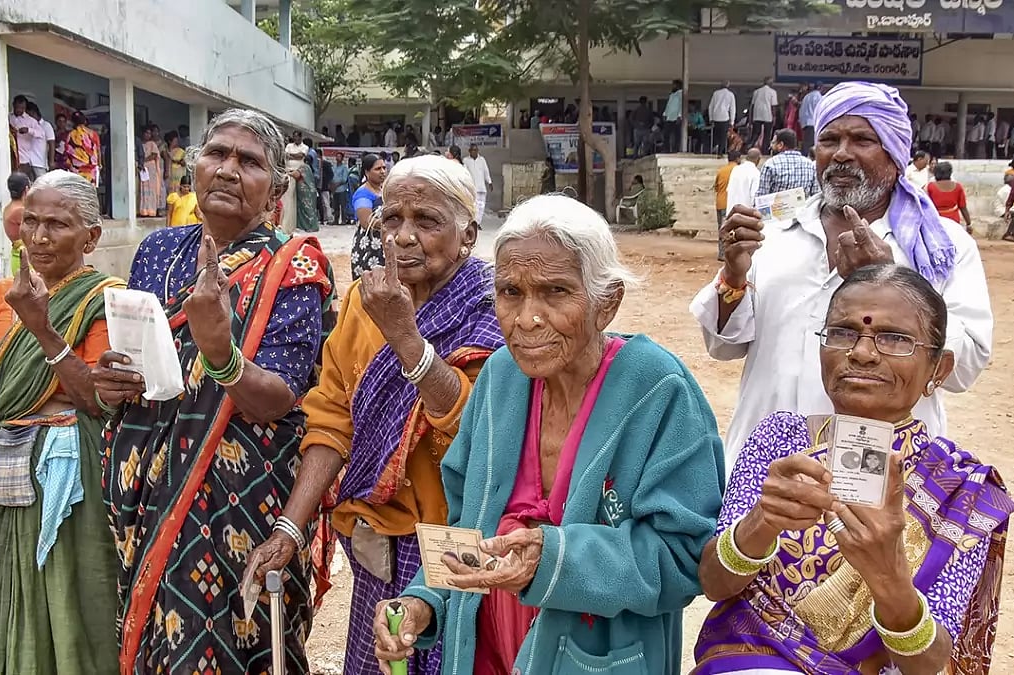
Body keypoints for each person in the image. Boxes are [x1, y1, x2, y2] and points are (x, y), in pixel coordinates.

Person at [373, 194, 725, 675]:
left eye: (555, 292)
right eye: (510, 292)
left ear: (607, 302)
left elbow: (682, 556)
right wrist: (423, 601)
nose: (526, 319)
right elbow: (466, 524)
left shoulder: (658, 389)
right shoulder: (499, 378)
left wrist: (556, 557)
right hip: (485, 654)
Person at [99, 109, 336, 674]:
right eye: (217, 155)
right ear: (194, 170)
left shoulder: (293, 265)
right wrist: (114, 380)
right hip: (149, 486)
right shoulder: (157, 253)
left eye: (248, 161)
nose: (228, 170)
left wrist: (221, 352)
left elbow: (279, 397)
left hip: (240, 495)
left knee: (244, 639)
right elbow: (141, 363)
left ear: (277, 187)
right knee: (160, 636)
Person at [246, 155, 501, 675]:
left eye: (426, 221)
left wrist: (406, 339)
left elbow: (481, 433)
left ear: (468, 233)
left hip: (461, 541)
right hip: (375, 540)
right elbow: (331, 417)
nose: (404, 237)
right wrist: (290, 529)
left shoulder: (493, 306)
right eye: (392, 219)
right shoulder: (367, 301)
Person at [693, 264, 1014, 674]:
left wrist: (889, 573)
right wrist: (762, 523)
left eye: (894, 339)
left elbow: (930, 664)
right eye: (844, 332)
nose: (861, 353)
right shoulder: (780, 440)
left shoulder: (959, 490)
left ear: (939, 369)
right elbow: (714, 584)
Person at [691, 81, 993, 468]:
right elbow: (723, 347)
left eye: (862, 140)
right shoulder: (773, 234)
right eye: (829, 139)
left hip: (879, 470)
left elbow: (963, 369)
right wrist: (732, 277)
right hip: (766, 469)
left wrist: (888, 280)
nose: (842, 155)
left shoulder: (942, 247)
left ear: (895, 153)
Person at [0, 170, 123, 675]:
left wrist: (42, 327)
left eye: (57, 224)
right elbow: (2, 403)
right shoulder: (2, 295)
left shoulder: (105, 297)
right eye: (30, 222)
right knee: (7, 606)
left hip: (70, 478)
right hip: (3, 477)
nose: (38, 237)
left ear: (91, 236)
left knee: (67, 604)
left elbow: (97, 400)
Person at [351, 153, 389, 278]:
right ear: (367, 172)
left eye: (384, 168)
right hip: (369, 247)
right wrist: (390, 225)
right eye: (378, 169)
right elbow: (366, 222)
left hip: (384, 245)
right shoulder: (363, 194)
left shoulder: (384, 190)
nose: (383, 171)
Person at [756, 128, 819, 198]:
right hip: (803, 208)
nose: (771, 146)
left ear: (780, 145)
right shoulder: (810, 165)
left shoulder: (770, 164)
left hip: (776, 208)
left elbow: (761, 197)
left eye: (774, 143)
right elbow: (815, 195)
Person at [926, 161, 973, 234]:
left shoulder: (930, 186)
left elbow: (926, 206)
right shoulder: (958, 186)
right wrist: (969, 224)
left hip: (936, 220)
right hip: (953, 220)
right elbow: (963, 207)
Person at [11, 95, 47, 180]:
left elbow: (41, 134)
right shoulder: (8, 117)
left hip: (24, 159)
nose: (19, 110)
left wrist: (29, 130)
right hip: (11, 156)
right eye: (18, 107)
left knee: (22, 182)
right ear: (13, 105)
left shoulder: (30, 121)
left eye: (22, 108)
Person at [714, 150, 741, 261]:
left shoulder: (721, 171)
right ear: (738, 158)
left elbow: (716, 187)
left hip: (720, 202)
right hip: (733, 203)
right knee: (734, 230)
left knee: (722, 228)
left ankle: (722, 253)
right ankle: (732, 253)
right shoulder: (739, 171)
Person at [62, 111, 101, 188]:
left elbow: (67, 152)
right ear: (84, 120)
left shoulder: (70, 135)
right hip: (91, 170)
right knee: (90, 193)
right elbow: (98, 150)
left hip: (76, 170)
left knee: (78, 193)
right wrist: (99, 164)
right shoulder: (93, 134)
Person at [4, 171, 31, 275]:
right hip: (25, 257)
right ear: (26, 189)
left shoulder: (8, 208)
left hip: (18, 254)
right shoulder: (20, 210)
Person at [280, 132, 306, 234]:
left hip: (298, 174)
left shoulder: (305, 147)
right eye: (294, 137)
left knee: (294, 200)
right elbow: (285, 155)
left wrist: (291, 155)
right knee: (287, 199)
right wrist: (293, 156)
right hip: (288, 173)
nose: (295, 139)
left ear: (300, 137)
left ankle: (293, 225)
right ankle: (285, 225)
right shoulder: (289, 146)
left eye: (297, 137)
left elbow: (300, 156)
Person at [726, 148, 762, 216]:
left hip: (731, 213)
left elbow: (728, 190)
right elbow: (754, 196)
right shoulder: (756, 173)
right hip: (745, 216)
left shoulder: (736, 169)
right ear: (759, 159)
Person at [138, 127, 165, 217]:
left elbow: (154, 155)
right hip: (142, 169)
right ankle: (143, 210)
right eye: (146, 133)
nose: (148, 135)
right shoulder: (139, 144)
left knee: (152, 189)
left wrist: (143, 160)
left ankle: (152, 210)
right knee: (143, 189)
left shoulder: (152, 144)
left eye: (149, 133)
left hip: (151, 169)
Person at [464, 145, 493, 222]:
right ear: (469, 151)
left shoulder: (482, 160)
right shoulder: (466, 160)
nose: (474, 152)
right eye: (473, 150)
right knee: (473, 206)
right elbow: (465, 173)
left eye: (476, 150)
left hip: (481, 187)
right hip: (472, 187)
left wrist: (489, 182)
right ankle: (474, 221)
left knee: (481, 206)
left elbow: (486, 171)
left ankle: (478, 222)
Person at [750, 77, 778, 151]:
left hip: (757, 115)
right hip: (767, 115)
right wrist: (774, 117)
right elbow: (773, 106)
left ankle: (749, 147)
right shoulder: (772, 92)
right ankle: (765, 150)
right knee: (767, 134)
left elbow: (752, 106)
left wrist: (751, 118)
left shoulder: (756, 91)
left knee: (755, 133)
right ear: (771, 83)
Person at [27, 102, 56, 171]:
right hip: (28, 162)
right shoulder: (28, 126)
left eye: (28, 115)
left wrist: (51, 161)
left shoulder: (46, 125)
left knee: (41, 181)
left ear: (33, 113)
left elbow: (51, 144)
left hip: (40, 163)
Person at [710, 81, 737, 156]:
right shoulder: (730, 94)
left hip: (716, 117)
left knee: (716, 134)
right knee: (723, 136)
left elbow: (711, 106)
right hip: (725, 117)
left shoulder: (716, 93)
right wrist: (732, 122)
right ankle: (720, 152)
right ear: (728, 86)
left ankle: (716, 146)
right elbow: (732, 109)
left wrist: (711, 118)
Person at [799, 83, 824, 155]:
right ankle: (805, 158)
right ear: (820, 88)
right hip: (813, 122)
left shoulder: (807, 96)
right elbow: (819, 110)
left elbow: (801, 110)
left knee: (806, 141)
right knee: (810, 143)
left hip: (806, 122)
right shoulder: (818, 96)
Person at [663, 79, 683, 153]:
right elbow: (668, 106)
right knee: (666, 134)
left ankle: (675, 150)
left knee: (676, 135)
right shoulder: (672, 95)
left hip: (676, 117)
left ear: (678, 85)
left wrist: (679, 116)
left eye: (674, 85)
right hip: (669, 117)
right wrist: (665, 114)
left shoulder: (681, 94)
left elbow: (681, 105)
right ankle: (666, 149)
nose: (673, 86)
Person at [331, 153, 352, 225]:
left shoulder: (344, 168)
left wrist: (337, 184)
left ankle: (343, 220)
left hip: (342, 189)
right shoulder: (333, 167)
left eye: (339, 157)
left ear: (342, 158)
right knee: (335, 205)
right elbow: (332, 177)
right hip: (334, 189)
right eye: (337, 156)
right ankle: (335, 220)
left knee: (343, 206)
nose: (338, 158)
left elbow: (344, 179)